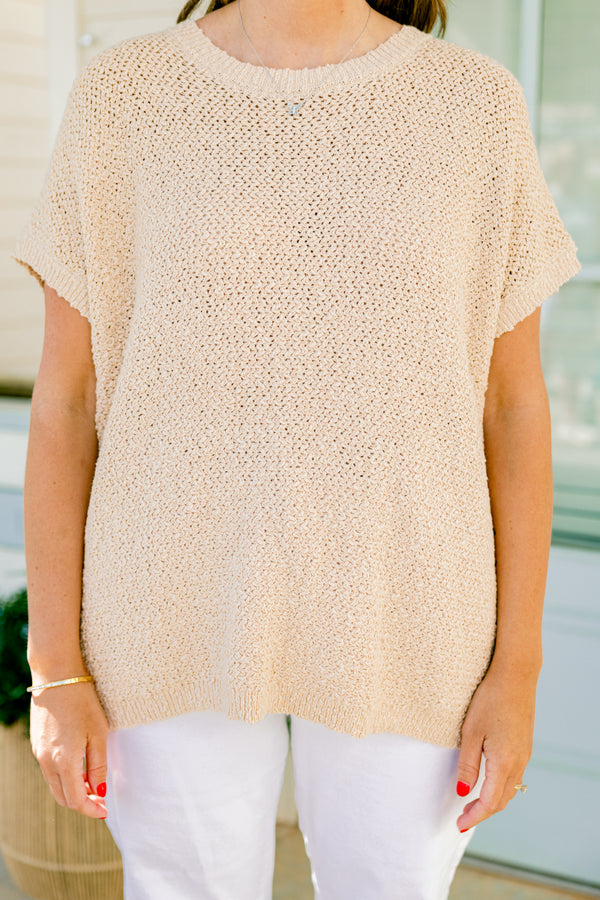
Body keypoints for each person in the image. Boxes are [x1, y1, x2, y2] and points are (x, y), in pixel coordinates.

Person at [12, 0, 581, 897]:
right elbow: (66, 404)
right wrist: (54, 671)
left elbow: (512, 407)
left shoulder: (474, 106)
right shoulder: (124, 98)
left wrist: (519, 667)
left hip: (414, 612)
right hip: (164, 607)